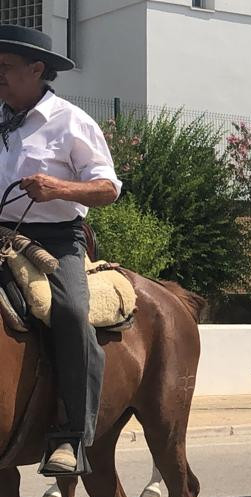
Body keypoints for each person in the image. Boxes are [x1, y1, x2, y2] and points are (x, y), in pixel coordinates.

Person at [0, 25, 121, 473]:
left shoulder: (71, 121)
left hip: (54, 239)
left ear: (37, 70)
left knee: (71, 313)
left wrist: (58, 188)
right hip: (0, 234)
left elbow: (108, 188)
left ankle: (72, 434)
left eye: (6, 67)